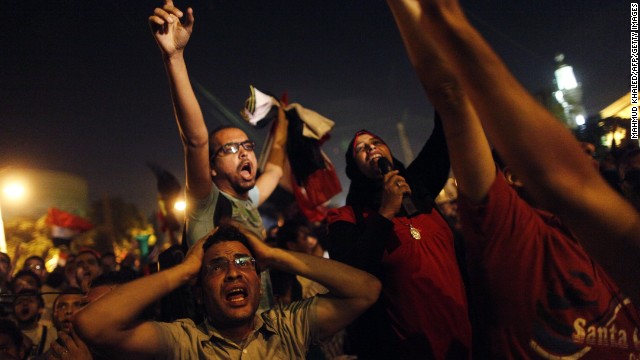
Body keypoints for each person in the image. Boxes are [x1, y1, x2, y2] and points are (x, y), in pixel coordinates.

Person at [385, 0, 640, 357]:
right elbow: (452, 96)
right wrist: (435, 16)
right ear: (513, 179)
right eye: (565, 144)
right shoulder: (512, 235)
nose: (583, 147)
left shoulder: (604, 233)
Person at [73, 223, 380, 359]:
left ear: (259, 281)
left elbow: (366, 290)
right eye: (216, 267)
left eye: (244, 262)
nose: (233, 272)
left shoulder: (289, 327)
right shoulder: (184, 342)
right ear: (200, 289)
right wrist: (182, 271)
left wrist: (275, 256)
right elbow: (93, 324)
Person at [327, 113, 470, 357]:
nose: (371, 148)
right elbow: (351, 274)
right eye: (361, 149)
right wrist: (385, 212)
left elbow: (443, 134)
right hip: (405, 347)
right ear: (354, 169)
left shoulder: (419, 189)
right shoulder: (347, 218)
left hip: (464, 337)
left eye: (376, 143)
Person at [149, 0, 287, 246]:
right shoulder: (207, 205)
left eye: (247, 145)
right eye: (231, 148)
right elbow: (195, 141)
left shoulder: (248, 202)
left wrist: (284, 117)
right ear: (211, 167)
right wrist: (174, 57)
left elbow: (275, 170)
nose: (244, 152)